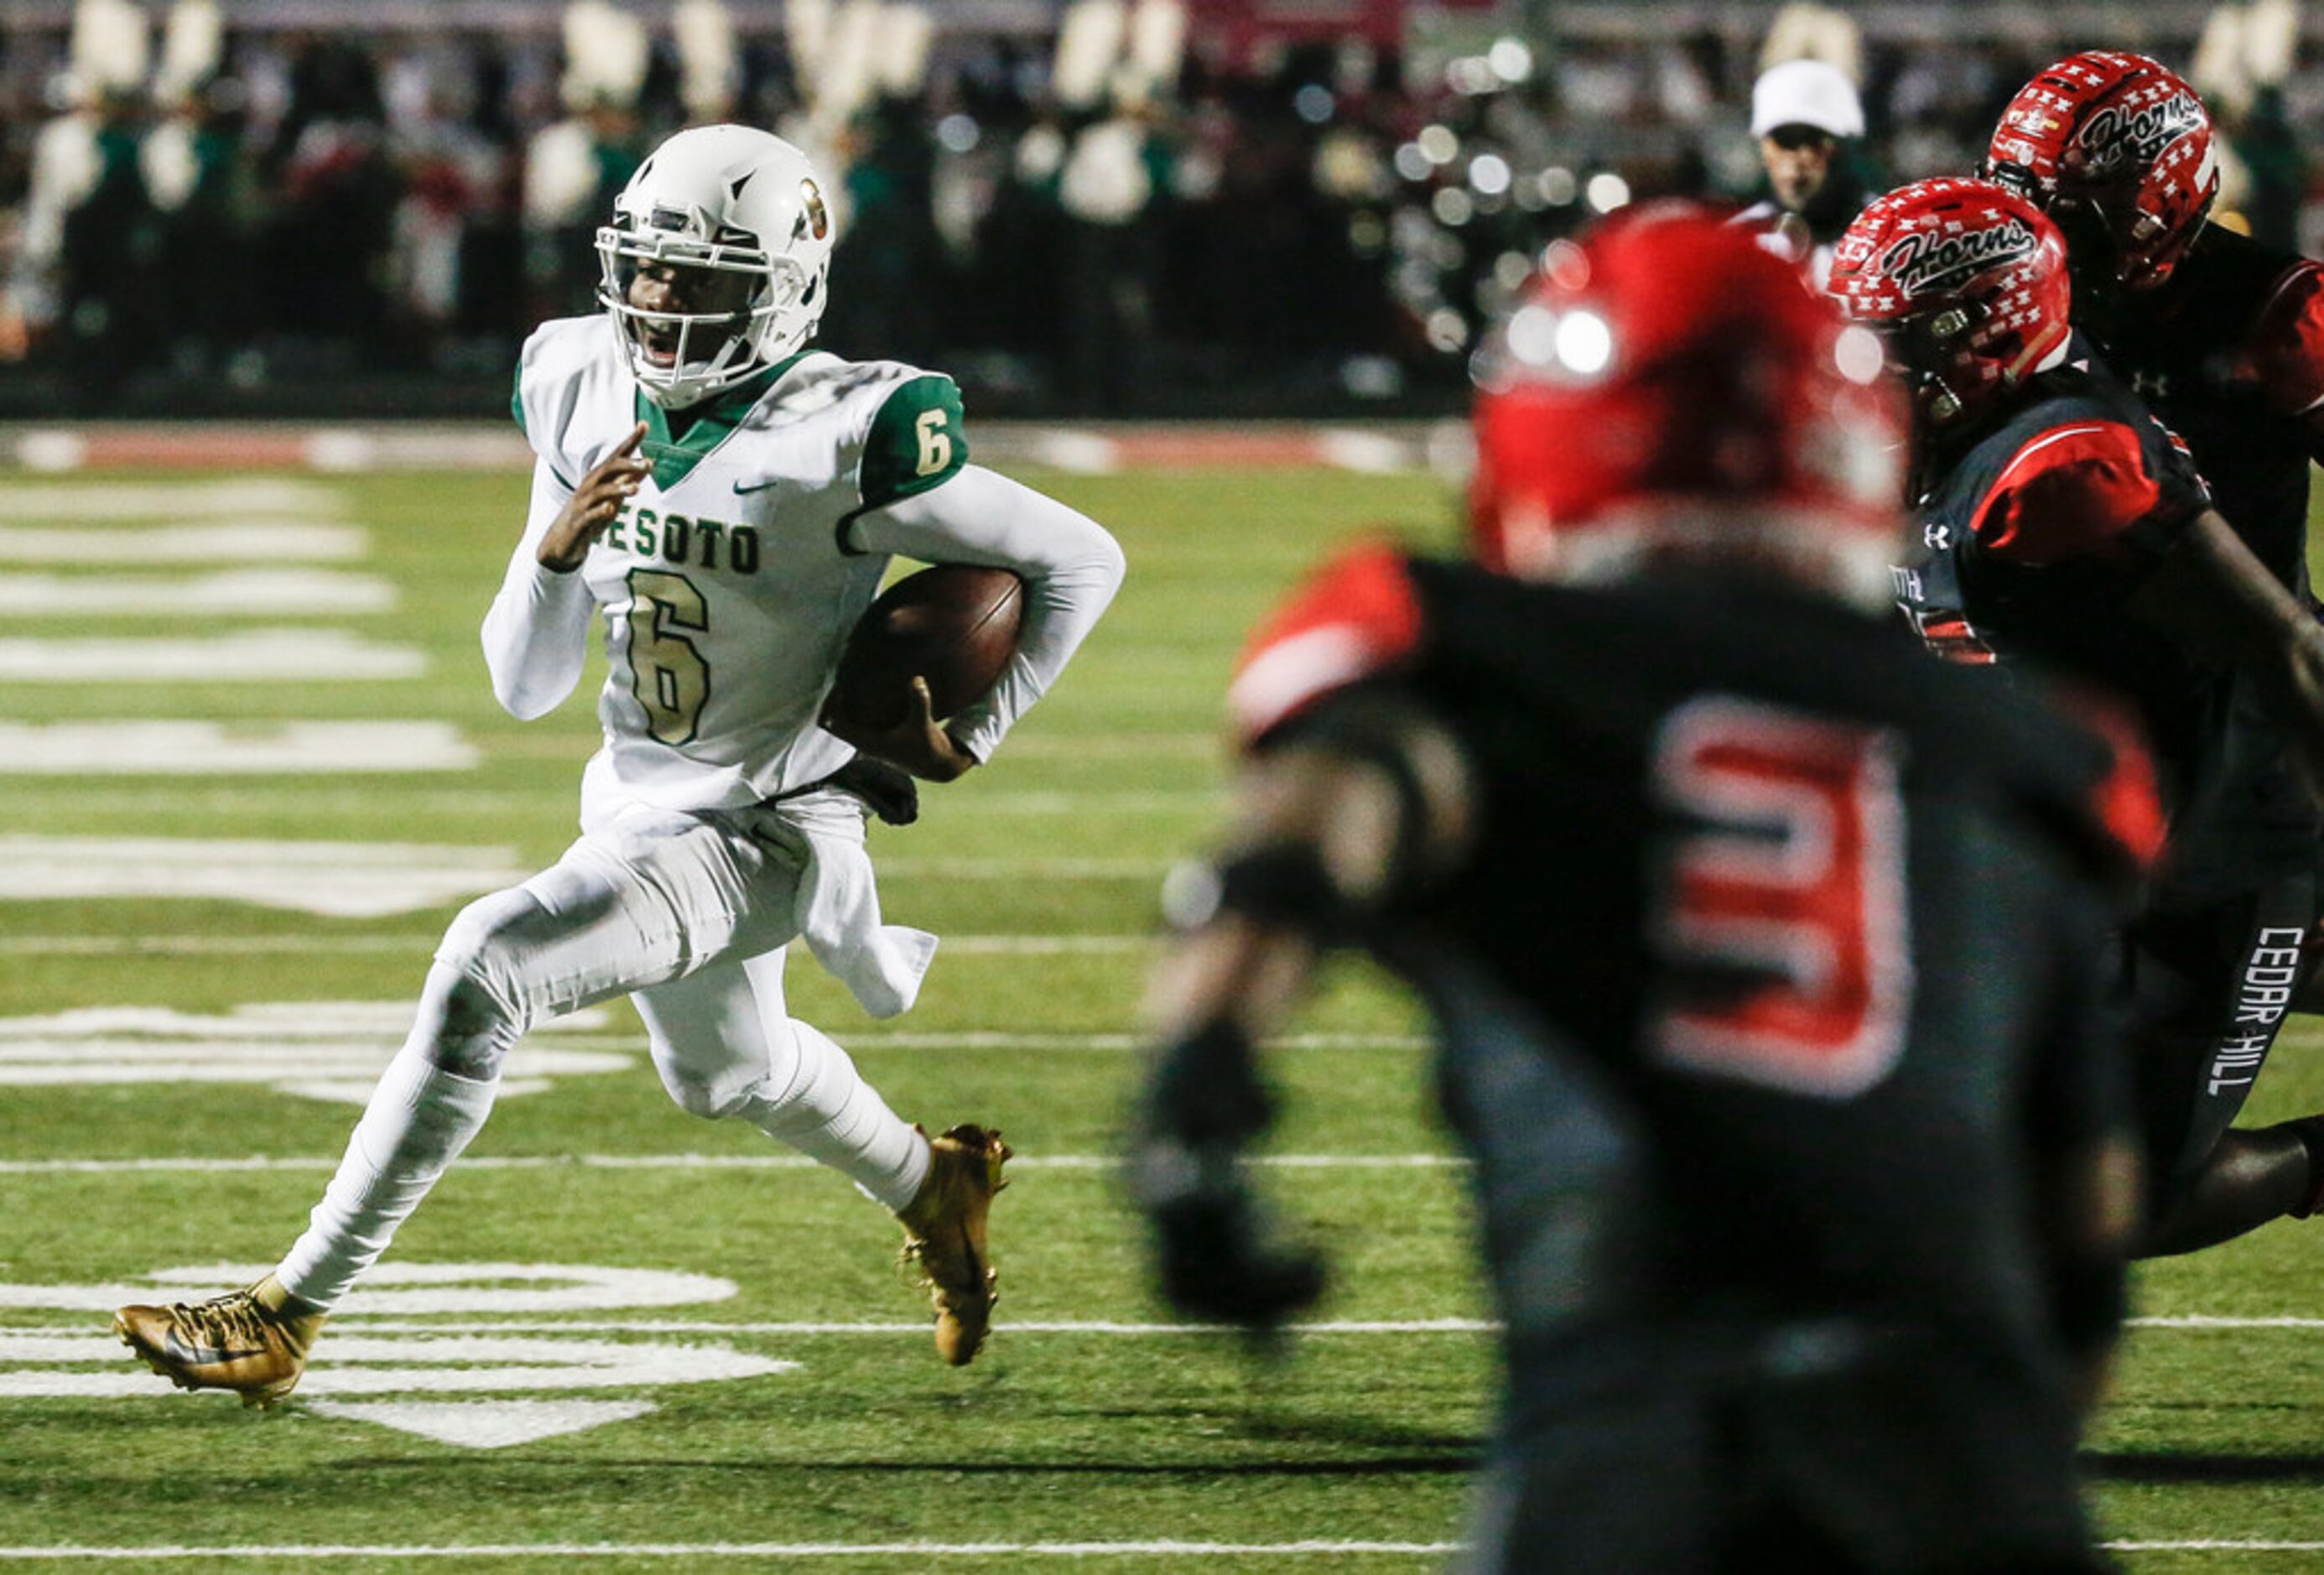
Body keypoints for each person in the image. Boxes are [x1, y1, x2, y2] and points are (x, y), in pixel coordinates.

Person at [1132, 209, 2150, 1573]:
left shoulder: (1492, 649)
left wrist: (1200, 1077)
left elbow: (1332, 812)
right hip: (1974, 1474)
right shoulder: (2029, 753)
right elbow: (2083, 1242)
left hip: (1645, 1431)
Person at [114, 123, 1126, 1403]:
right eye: (644, 267)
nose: (655, 301)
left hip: (769, 816)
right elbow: (521, 684)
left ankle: (285, 1310)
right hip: (636, 794)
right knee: (727, 1075)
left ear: (782, 289)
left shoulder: (852, 426)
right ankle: (936, 1183)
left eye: (695, 279)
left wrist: (971, 732)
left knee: (488, 965)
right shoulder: (575, 377)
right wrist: (551, 554)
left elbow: (1082, 556)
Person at [1829, 175, 2324, 1258]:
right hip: (2106, 834)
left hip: (2223, 845)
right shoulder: (1964, 441)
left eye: (1890, 349)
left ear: (1978, 339)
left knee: (2124, 1193)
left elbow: (2280, 643)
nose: (1861, 379)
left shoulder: (2061, 473)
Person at [1732, 57, 1869, 287]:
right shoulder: (1738, 242)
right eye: (1784, 140)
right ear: (1763, 149)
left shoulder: (1892, 241)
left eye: (1814, 139)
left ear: (1845, 147)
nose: (1799, 159)